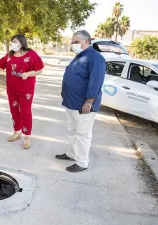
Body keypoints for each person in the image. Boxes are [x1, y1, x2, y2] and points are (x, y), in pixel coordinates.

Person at [55, 30, 106, 172]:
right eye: (72, 42)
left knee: (83, 134)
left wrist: (89, 101)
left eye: (76, 42)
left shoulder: (95, 58)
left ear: (87, 41)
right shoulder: (78, 56)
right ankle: (72, 154)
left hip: (83, 105)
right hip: (71, 103)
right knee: (71, 131)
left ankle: (82, 162)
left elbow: (96, 81)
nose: (73, 44)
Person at [0, 34, 44, 149]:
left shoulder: (31, 55)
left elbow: (39, 70)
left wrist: (28, 74)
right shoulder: (10, 55)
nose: (13, 44)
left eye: (15, 42)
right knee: (14, 111)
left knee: (25, 112)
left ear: (22, 42)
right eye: (12, 42)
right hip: (12, 89)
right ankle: (17, 132)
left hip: (26, 90)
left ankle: (27, 137)